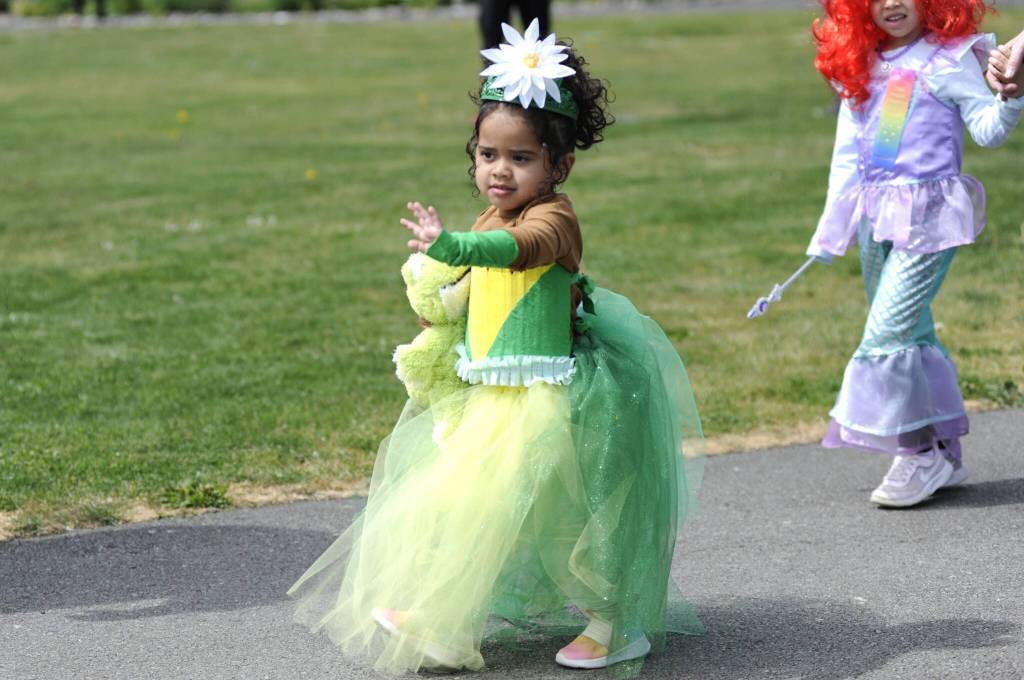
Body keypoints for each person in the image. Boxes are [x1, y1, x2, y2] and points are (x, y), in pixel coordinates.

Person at [288, 19, 704, 676]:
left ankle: (615, 619)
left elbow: (515, 254)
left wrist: (450, 246)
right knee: (464, 504)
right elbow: (479, 283)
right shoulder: (492, 215)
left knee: (558, 513)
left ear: (559, 165)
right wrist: (442, 301)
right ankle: (446, 621)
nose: (499, 171)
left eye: (520, 158)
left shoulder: (552, 219)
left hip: (552, 396)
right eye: (487, 155)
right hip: (494, 394)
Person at [805, 0, 1024, 508]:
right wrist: (829, 232)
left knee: (887, 334)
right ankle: (944, 448)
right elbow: (854, 158)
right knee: (915, 330)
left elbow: (988, 130)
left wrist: (1011, 98)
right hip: (876, 220)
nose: (893, 3)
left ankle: (917, 452)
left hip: (929, 218)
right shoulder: (866, 63)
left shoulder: (950, 58)